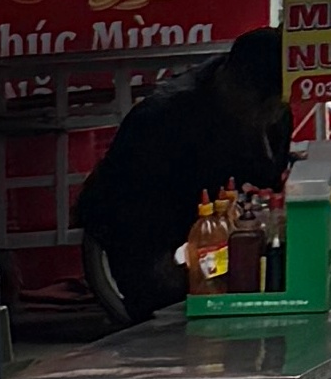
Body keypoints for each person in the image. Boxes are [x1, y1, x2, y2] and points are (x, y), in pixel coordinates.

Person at [71, 28, 293, 319]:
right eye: (265, 109)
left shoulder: (268, 109)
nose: (273, 117)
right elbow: (128, 218)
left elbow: (268, 176)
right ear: (233, 85)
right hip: (145, 236)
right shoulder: (163, 120)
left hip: (214, 231)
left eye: (278, 108)